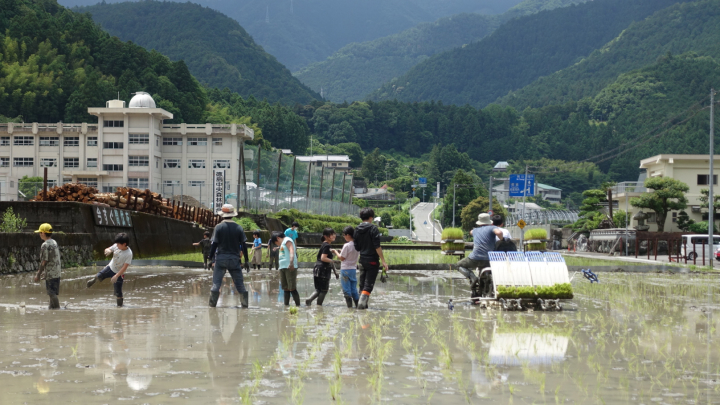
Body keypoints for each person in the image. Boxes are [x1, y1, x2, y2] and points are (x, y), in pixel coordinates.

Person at [208, 204, 250, 308]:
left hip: (221, 259)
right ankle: (244, 306)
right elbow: (244, 246)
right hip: (234, 260)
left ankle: (212, 307)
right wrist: (247, 261)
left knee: (216, 284)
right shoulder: (238, 228)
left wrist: (210, 259)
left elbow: (214, 244)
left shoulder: (219, 227)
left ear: (222, 215)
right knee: (240, 285)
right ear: (233, 215)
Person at [457, 213, 504, 299]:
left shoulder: (475, 230)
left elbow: (470, 232)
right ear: (489, 221)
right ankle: (486, 290)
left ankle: (473, 277)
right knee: (487, 275)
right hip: (488, 259)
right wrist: (502, 239)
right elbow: (499, 232)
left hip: (474, 258)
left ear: (479, 222)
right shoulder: (492, 228)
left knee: (459, 265)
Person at [353, 208, 388, 310]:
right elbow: (377, 246)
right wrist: (383, 261)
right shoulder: (373, 228)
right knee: (368, 286)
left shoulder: (357, 229)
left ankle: (363, 309)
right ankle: (360, 305)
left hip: (362, 260)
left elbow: (357, 247)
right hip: (372, 260)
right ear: (371, 217)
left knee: (362, 285)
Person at [87, 233, 133, 307]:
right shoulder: (116, 246)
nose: (117, 245)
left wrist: (116, 276)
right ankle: (94, 280)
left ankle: (119, 307)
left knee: (118, 293)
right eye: (116, 244)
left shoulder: (129, 254)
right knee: (99, 275)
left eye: (118, 244)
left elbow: (124, 267)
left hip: (119, 273)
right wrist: (108, 250)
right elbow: (108, 249)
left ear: (124, 244)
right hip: (110, 267)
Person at [305, 228, 339, 306]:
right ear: (326, 236)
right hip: (323, 270)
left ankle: (309, 300)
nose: (334, 235)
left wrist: (335, 271)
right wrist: (334, 261)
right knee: (324, 290)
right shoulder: (327, 246)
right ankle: (319, 306)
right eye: (331, 234)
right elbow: (323, 258)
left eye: (334, 234)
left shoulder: (325, 244)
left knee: (318, 289)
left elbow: (328, 259)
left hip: (317, 269)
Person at [34, 223, 61, 310]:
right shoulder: (54, 242)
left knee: (51, 293)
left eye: (40, 232)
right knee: (52, 293)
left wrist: (38, 274)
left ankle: (58, 310)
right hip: (57, 272)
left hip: (51, 273)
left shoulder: (45, 245)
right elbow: (52, 259)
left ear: (43, 233)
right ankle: (51, 309)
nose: (39, 234)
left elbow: (44, 261)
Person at [332, 226, 360, 308]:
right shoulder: (357, 245)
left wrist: (336, 252)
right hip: (353, 269)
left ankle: (350, 308)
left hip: (345, 270)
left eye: (344, 235)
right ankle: (358, 306)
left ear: (348, 235)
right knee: (354, 289)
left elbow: (342, 258)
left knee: (346, 290)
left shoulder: (346, 245)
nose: (344, 237)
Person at [271, 231, 299, 306]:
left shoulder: (287, 240)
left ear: (278, 238)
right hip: (282, 267)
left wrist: (291, 263)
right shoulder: (282, 243)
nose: (277, 244)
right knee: (285, 288)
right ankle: (286, 306)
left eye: (276, 243)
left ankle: (298, 306)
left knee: (292, 288)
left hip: (289, 266)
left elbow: (291, 250)